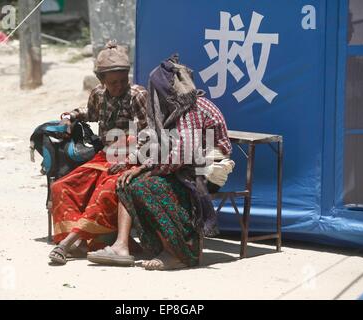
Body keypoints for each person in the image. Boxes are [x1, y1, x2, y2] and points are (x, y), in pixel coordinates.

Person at [87, 55, 234, 270]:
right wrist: (135, 164)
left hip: (204, 173)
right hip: (185, 169)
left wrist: (146, 169)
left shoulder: (191, 109)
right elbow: (155, 144)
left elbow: (181, 154)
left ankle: (178, 252)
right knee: (126, 183)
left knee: (147, 185)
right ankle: (121, 246)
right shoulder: (173, 111)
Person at [48, 40, 148, 265]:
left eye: (123, 81)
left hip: (132, 157)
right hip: (105, 156)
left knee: (107, 189)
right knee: (62, 186)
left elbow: (149, 133)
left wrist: (130, 159)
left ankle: (67, 243)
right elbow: (90, 113)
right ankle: (82, 243)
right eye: (113, 83)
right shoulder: (98, 94)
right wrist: (71, 116)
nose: (119, 86)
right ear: (102, 81)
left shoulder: (138, 95)